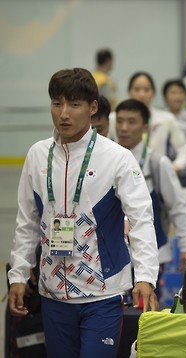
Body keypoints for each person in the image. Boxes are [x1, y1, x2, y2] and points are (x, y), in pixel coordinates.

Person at [7, 68, 159, 358]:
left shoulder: (117, 157)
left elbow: (141, 221)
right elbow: (27, 222)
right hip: (52, 294)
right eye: (57, 103)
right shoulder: (37, 154)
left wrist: (146, 276)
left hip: (102, 293)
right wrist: (18, 275)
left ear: (92, 108)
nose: (64, 113)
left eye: (74, 105)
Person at [115, 98, 186, 274]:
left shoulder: (157, 163)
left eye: (131, 122)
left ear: (145, 128)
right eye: (119, 121)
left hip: (153, 255)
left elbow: (177, 206)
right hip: (113, 257)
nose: (123, 128)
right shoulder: (108, 161)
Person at [108, 71, 186, 172]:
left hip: (156, 175)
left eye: (146, 90)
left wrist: (172, 168)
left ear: (153, 92)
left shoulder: (167, 119)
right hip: (122, 172)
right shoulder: (114, 119)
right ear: (129, 91)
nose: (142, 94)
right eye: (137, 89)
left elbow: (184, 150)